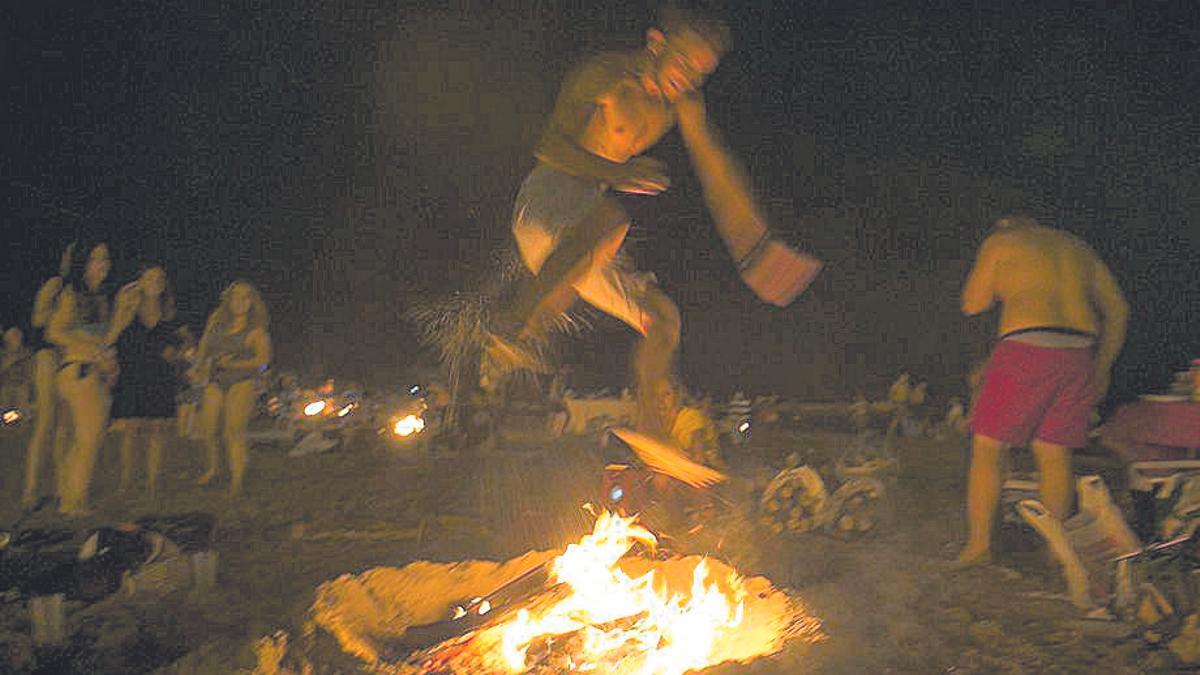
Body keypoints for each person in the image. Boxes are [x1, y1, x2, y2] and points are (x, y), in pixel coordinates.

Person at [485, 9, 732, 437]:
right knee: (613, 218)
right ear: (656, 42)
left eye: (700, 75)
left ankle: (655, 431)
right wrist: (618, 174)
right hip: (548, 200)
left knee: (664, 318)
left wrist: (751, 239)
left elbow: (714, 162)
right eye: (684, 65)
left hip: (586, 234)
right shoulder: (605, 75)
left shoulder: (677, 106)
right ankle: (514, 327)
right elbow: (546, 145)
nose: (689, 80)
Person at [955, 214, 1129, 567]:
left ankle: (978, 547)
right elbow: (1118, 310)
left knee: (989, 447)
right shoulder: (1077, 247)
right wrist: (1102, 368)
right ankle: (1057, 551)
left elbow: (973, 303)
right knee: (1053, 453)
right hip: (1079, 352)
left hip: (1025, 348)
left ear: (1007, 226)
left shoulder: (1002, 241)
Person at [46, 242, 134, 516]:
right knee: (88, 437)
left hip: (90, 371)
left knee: (85, 439)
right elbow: (54, 332)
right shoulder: (73, 295)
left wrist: (122, 312)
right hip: (78, 370)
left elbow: (108, 338)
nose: (102, 264)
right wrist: (92, 352)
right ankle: (75, 502)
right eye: (95, 258)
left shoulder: (102, 298)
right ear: (83, 264)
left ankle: (69, 497)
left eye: (105, 258)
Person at [190, 281, 271, 499]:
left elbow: (263, 359)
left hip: (242, 380)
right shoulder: (217, 318)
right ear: (229, 299)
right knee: (209, 428)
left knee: (233, 431)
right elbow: (205, 343)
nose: (241, 302)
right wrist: (198, 366)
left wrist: (234, 364)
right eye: (236, 297)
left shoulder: (256, 330)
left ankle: (236, 482)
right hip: (215, 378)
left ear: (252, 302)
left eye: (246, 297)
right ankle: (214, 468)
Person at [108, 266, 183, 501]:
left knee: (157, 429)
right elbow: (116, 335)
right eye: (150, 277)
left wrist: (175, 352)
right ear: (139, 280)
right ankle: (126, 482)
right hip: (133, 373)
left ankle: (153, 482)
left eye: (160, 277)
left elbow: (179, 341)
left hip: (160, 375)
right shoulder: (128, 307)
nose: (156, 281)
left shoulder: (169, 312)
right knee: (131, 430)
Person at [20, 246, 75, 510]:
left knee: (62, 424)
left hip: (66, 356)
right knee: (46, 423)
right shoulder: (56, 284)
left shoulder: (74, 288)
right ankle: (32, 490)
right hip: (49, 355)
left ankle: (61, 488)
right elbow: (38, 319)